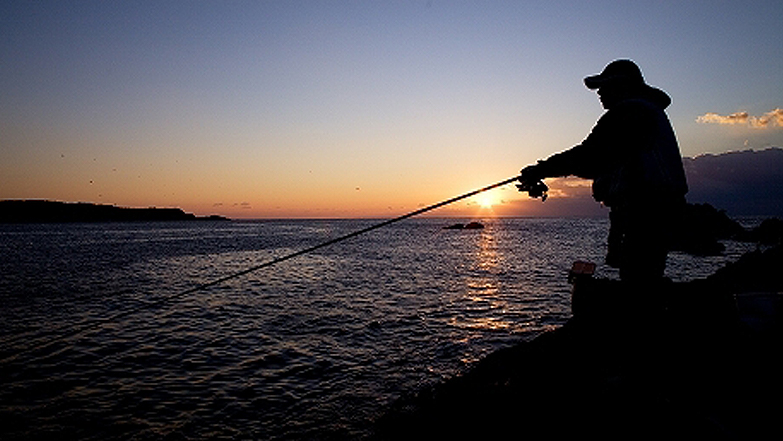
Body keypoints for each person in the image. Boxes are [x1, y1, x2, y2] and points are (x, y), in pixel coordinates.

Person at [518, 59, 688, 286]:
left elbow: (589, 155)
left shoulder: (630, 112)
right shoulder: (645, 111)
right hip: (650, 208)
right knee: (641, 276)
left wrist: (541, 169)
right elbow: (597, 163)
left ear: (621, 87)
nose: (599, 93)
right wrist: (544, 170)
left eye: (604, 86)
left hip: (646, 209)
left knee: (639, 279)